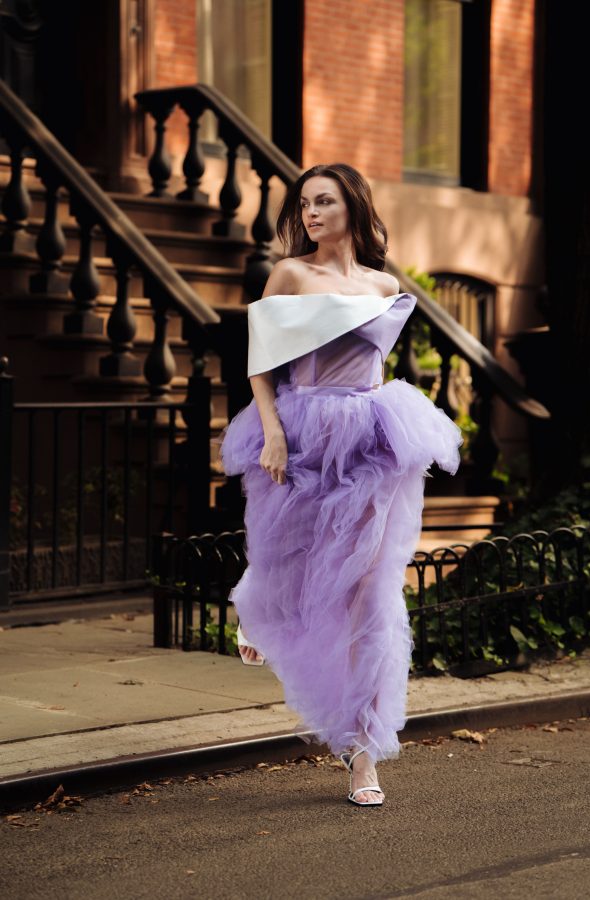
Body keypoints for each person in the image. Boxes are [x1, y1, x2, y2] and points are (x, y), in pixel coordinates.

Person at [217, 163, 463, 806]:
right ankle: (259, 613)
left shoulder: (385, 282)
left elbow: (373, 360)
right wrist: (272, 430)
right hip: (300, 428)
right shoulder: (293, 274)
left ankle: (363, 754)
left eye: (324, 201)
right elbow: (260, 365)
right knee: (292, 551)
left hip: (371, 430)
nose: (311, 214)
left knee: (369, 591)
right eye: (303, 204)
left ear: (353, 204)